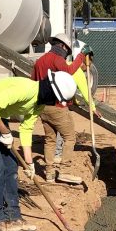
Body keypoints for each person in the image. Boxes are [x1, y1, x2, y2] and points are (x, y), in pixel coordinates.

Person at [0, 70, 78, 231]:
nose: (55, 103)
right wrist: (5, 132)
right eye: (55, 98)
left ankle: (14, 216)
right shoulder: (26, 90)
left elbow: (26, 128)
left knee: (11, 165)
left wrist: (29, 163)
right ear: (50, 91)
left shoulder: (39, 104)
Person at [30, 32, 99, 184]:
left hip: (43, 107)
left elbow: (33, 81)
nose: (66, 53)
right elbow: (68, 71)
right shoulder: (57, 59)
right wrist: (81, 55)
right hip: (57, 106)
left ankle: (49, 174)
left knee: (50, 140)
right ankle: (64, 171)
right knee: (70, 137)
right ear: (62, 46)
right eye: (67, 50)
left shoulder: (40, 61)